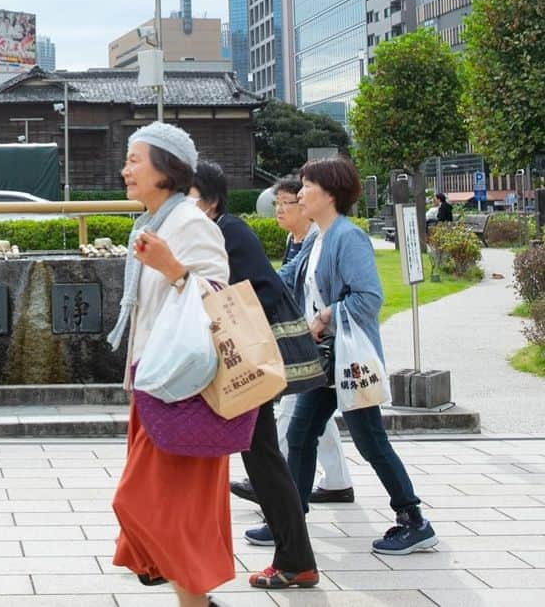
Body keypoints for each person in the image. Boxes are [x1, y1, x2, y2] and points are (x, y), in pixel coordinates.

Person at [281, 156, 440, 555]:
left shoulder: (346, 238)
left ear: (329, 191)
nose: (300, 194)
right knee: (300, 435)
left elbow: (369, 298)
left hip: (347, 359)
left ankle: (413, 520)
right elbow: (286, 279)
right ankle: (289, 521)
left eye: (306, 186)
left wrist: (324, 316)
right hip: (325, 358)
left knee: (369, 441)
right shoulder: (318, 237)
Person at [108, 123, 233, 607]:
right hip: (155, 383)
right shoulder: (152, 223)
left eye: (135, 159)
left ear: (167, 168)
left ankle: (184, 587)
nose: (125, 170)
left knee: (150, 502)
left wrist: (174, 270)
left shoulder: (190, 224)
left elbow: (220, 298)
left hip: (185, 390)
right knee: (174, 508)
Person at [189, 163, 318, 590]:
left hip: (252, 355)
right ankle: (294, 556)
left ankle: (295, 558)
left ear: (208, 200)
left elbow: (248, 293)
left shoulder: (225, 232)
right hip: (247, 354)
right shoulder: (222, 228)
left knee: (262, 455)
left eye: (186, 196)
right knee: (260, 454)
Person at [231, 176, 355, 508]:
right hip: (303, 336)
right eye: (278, 203)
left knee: (292, 416)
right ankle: (338, 482)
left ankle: (273, 491)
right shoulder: (295, 239)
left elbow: (285, 282)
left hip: (312, 339)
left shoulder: (320, 240)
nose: (281, 210)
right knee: (312, 418)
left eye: (289, 202)